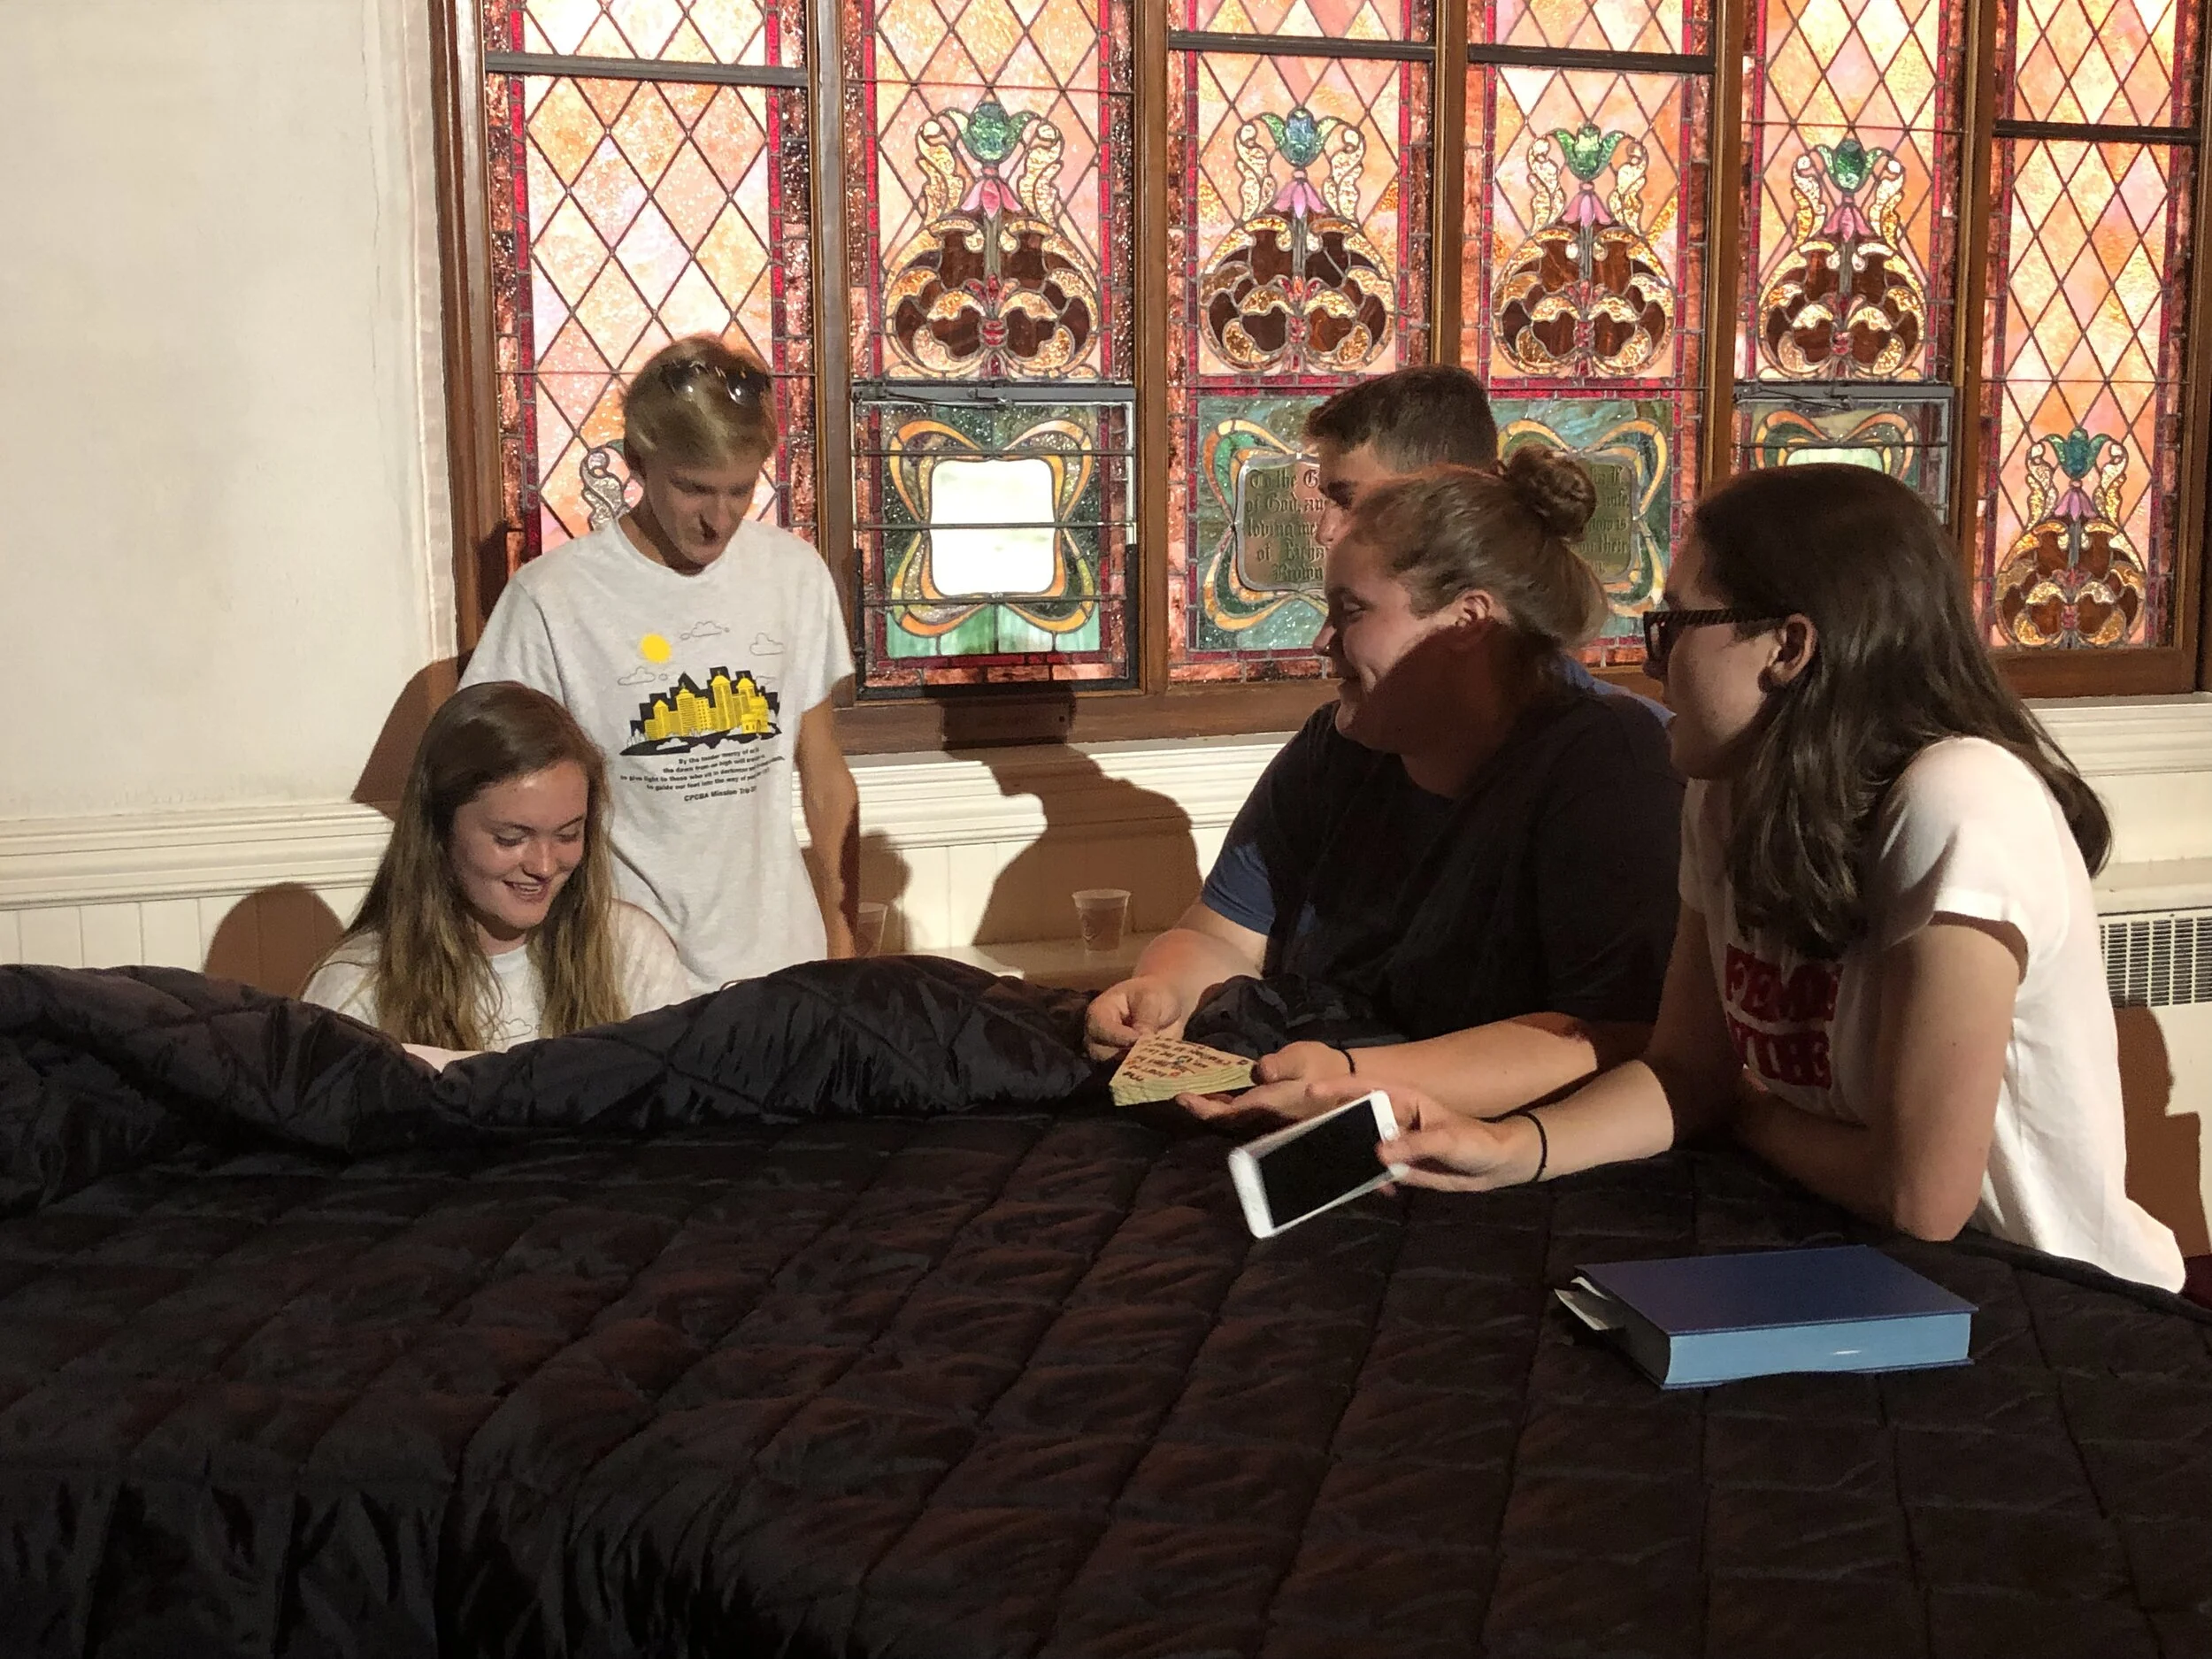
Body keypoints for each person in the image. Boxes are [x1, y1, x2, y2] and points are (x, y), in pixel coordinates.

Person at [1370, 464, 2185, 1291]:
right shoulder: (1724, 792)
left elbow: (1921, 1196)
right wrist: (1510, 1146)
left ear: (1789, 647)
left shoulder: (1961, 801)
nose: (1652, 666)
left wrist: (1748, 1108)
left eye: (1673, 624)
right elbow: (1687, 1071)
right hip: (1873, 1263)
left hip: (2052, 1294)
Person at [1085, 449, 1683, 1121]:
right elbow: (1220, 938)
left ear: (1468, 621)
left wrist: (1349, 1080)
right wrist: (1160, 993)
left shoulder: (1609, 762)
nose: (1322, 641)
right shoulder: (1333, 749)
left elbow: (1612, 1036)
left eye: (1351, 612)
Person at [463, 336, 859, 994]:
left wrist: (842, 938)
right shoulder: (552, 598)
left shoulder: (793, 574)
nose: (719, 520)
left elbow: (823, 772)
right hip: (629, 977)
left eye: (740, 490)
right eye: (693, 489)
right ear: (637, 461)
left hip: (785, 970)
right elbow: (488, 796)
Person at [303, 680, 692, 1052]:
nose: (544, 866)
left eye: (568, 835)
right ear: (439, 829)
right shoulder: (358, 990)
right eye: (511, 838)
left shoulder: (632, 953)